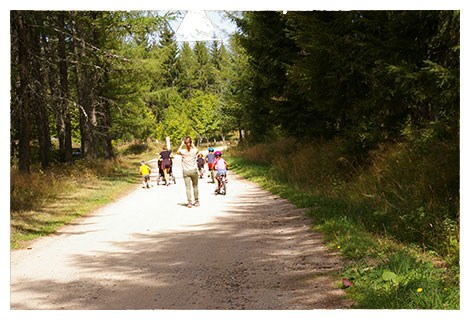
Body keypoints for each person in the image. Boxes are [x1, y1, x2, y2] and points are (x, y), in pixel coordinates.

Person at [176, 136, 199, 208]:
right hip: (194, 170)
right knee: (195, 186)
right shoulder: (194, 151)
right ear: (191, 142)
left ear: (185, 143)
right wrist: (192, 144)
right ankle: (196, 201)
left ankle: (189, 202)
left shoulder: (183, 152)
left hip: (186, 171)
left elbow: (177, 152)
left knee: (188, 187)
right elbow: (197, 150)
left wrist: (182, 144)